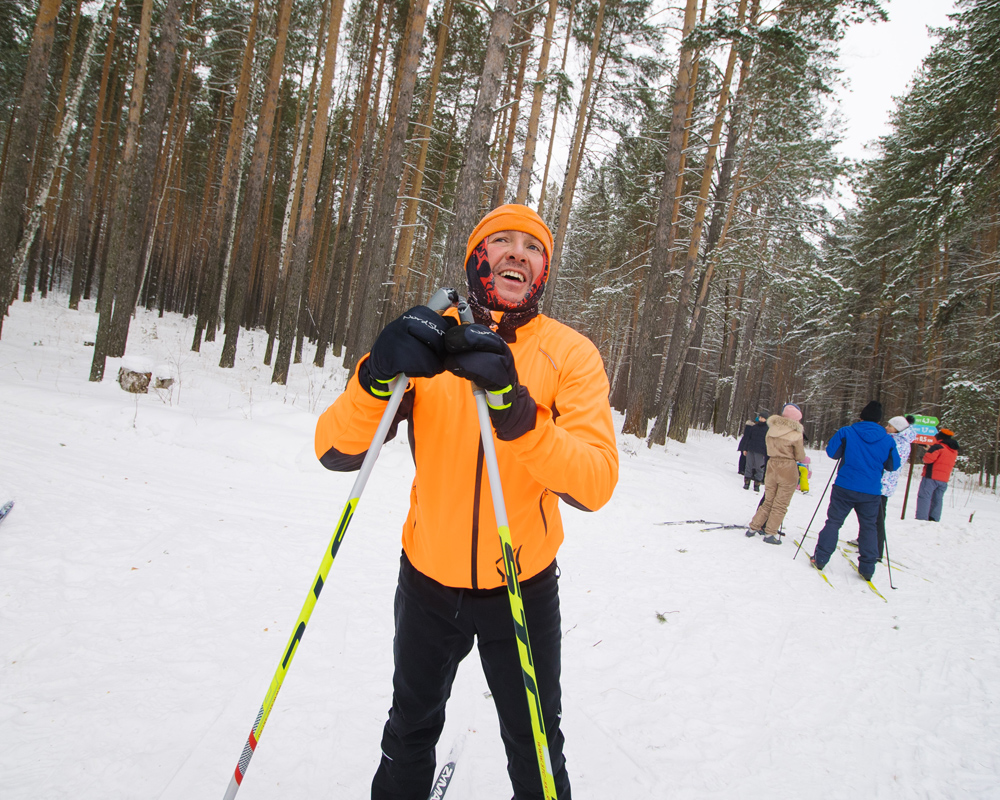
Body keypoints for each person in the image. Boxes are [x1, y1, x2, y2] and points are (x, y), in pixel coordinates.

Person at [314, 204, 619, 800]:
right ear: (477, 258)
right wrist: (377, 375)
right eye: (501, 241)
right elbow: (335, 449)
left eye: (531, 247)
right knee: (410, 729)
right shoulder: (429, 337)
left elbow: (595, 482)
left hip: (522, 584)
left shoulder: (570, 354)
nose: (517, 253)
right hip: (429, 579)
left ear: (542, 271)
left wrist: (520, 412)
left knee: (535, 743)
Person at [810, 401, 900, 581]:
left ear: (861, 417)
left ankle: (821, 558)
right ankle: (867, 569)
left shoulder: (847, 432)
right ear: (879, 421)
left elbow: (832, 452)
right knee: (868, 527)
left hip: (845, 486)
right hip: (871, 491)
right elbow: (893, 465)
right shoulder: (887, 440)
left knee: (834, 522)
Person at [847, 414, 916, 559]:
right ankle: (864, 541)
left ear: (896, 429)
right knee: (868, 514)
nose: (886, 428)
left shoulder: (900, 443)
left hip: (883, 484)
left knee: (877, 517)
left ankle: (877, 551)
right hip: (877, 482)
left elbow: (890, 464)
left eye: (890, 426)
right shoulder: (893, 439)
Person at [745, 403, 806, 544]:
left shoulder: (771, 429)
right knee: (780, 504)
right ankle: (770, 533)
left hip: (772, 465)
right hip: (787, 467)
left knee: (768, 500)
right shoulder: (796, 434)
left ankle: (753, 527)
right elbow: (800, 456)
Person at [915, 427, 960, 522]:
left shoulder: (937, 447)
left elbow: (928, 459)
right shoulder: (953, 450)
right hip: (944, 479)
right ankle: (934, 518)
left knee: (924, 497)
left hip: (931, 476)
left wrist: (928, 452)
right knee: (938, 499)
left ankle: (921, 518)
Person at [737, 412, 769, 491]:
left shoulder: (767, 429)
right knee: (748, 466)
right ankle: (746, 483)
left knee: (759, 468)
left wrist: (766, 453)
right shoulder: (754, 427)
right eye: (760, 417)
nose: (761, 419)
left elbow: (768, 442)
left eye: (762, 418)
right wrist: (745, 448)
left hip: (760, 451)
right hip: (751, 449)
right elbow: (748, 438)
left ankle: (757, 484)